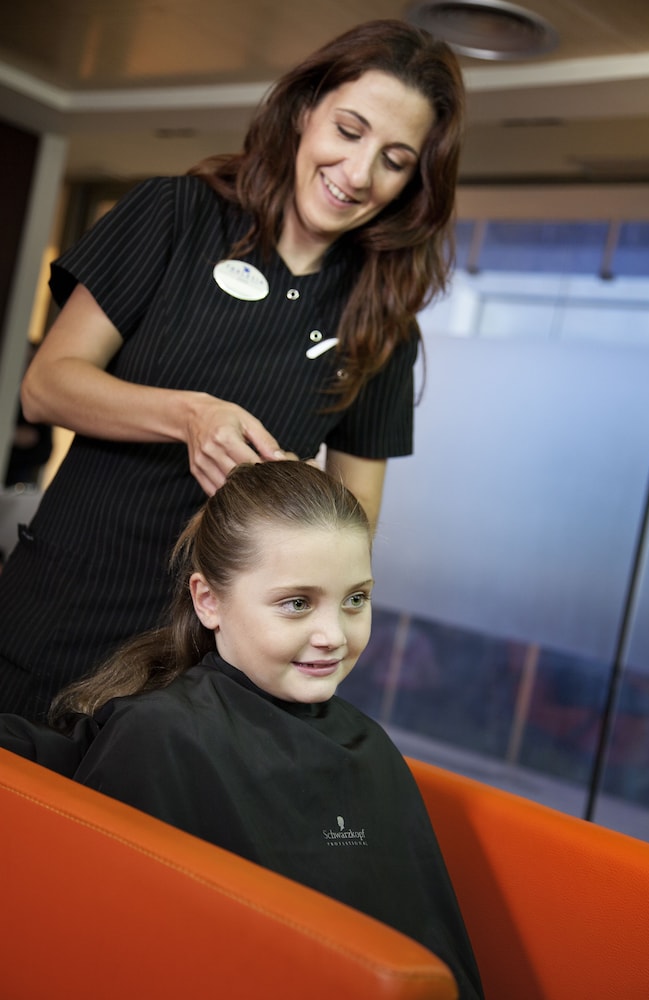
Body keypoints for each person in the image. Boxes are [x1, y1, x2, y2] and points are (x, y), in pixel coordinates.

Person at [0, 18, 465, 721]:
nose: (358, 173)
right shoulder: (176, 214)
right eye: (348, 131)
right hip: (59, 603)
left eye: (394, 160)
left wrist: (298, 498)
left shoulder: (381, 319)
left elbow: (356, 512)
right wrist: (190, 416)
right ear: (304, 112)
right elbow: (46, 387)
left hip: (203, 658)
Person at [0, 462, 484, 998]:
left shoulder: (370, 748)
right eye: (296, 604)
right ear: (208, 600)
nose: (334, 635)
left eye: (356, 599)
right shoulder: (163, 738)